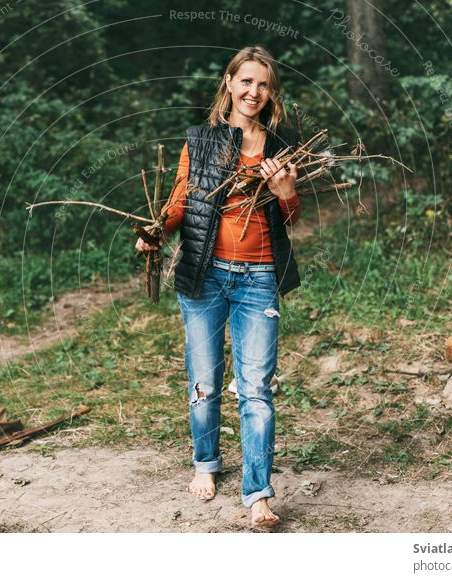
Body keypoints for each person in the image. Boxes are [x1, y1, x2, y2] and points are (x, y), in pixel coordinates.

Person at [135, 45, 302, 527]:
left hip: (259, 276)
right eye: (246, 81)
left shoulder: (281, 148)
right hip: (205, 276)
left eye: (263, 85)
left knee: (256, 389)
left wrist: (285, 193)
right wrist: (154, 233)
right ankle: (206, 463)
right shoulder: (202, 142)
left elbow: (290, 218)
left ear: (271, 94)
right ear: (229, 83)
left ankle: (258, 495)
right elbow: (180, 203)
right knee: (205, 382)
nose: (253, 92)